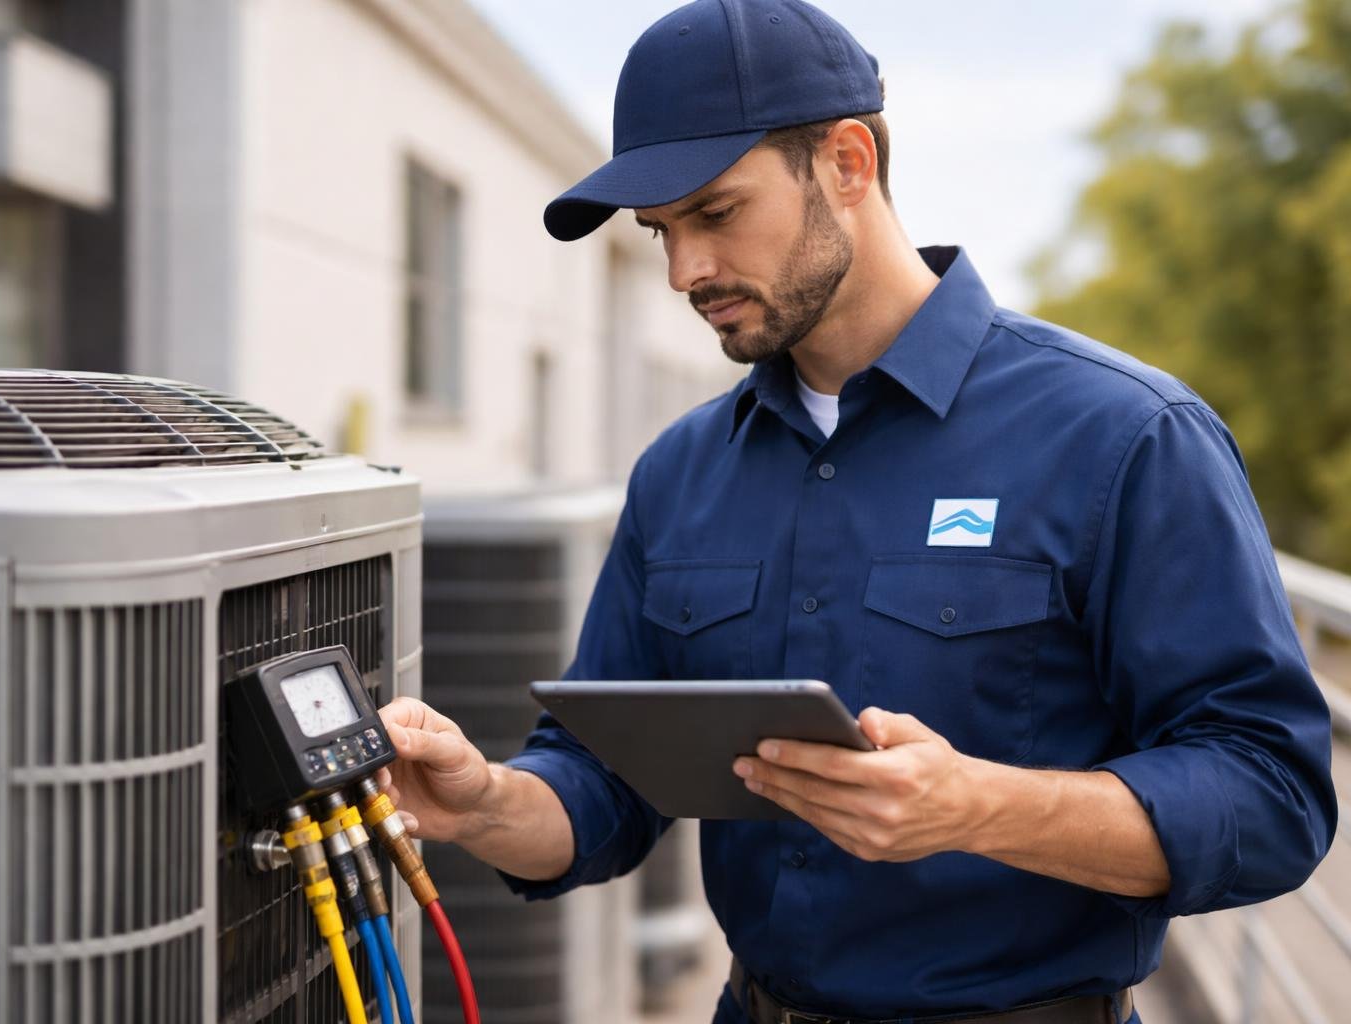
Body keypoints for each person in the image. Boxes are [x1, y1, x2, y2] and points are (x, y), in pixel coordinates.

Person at [375, 2, 1337, 1022]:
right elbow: (601, 785)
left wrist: (980, 807)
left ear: (846, 161)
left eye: (714, 212)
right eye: (659, 232)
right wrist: (487, 803)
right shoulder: (681, 472)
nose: (683, 272)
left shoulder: (1125, 435)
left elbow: (1270, 794)